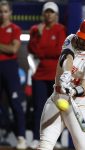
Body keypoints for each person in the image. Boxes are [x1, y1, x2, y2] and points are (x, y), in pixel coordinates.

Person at [37, 15, 85, 150]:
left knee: (84, 148)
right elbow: (67, 56)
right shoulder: (71, 39)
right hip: (57, 98)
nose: (84, 41)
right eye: (83, 37)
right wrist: (67, 72)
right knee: (44, 146)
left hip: (79, 103)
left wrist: (73, 90)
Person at [27, 1, 66, 149]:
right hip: (40, 74)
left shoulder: (61, 29)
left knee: (58, 107)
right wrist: (41, 35)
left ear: (56, 15)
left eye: (52, 12)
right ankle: (38, 138)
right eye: (47, 12)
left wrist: (43, 51)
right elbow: (33, 49)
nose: (49, 14)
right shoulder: (35, 30)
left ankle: (57, 139)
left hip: (56, 75)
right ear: (43, 14)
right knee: (39, 108)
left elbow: (58, 51)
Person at [0, 1, 27, 149]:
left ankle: (21, 137)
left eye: (5, 11)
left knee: (15, 103)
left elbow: (13, 49)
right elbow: (8, 47)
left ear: (10, 12)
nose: (2, 14)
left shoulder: (15, 29)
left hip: (10, 68)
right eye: (0, 11)